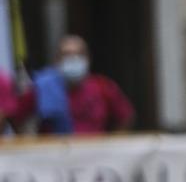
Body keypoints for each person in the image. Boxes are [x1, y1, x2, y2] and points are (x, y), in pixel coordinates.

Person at [6, 35, 135, 136]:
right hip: (55, 161)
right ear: (57, 60)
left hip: (94, 159)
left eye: (79, 54)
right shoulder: (42, 88)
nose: (73, 59)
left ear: (88, 59)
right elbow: (14, 114)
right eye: (67, 55)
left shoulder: (103, 87)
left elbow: (126, 116)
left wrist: (112, 145)